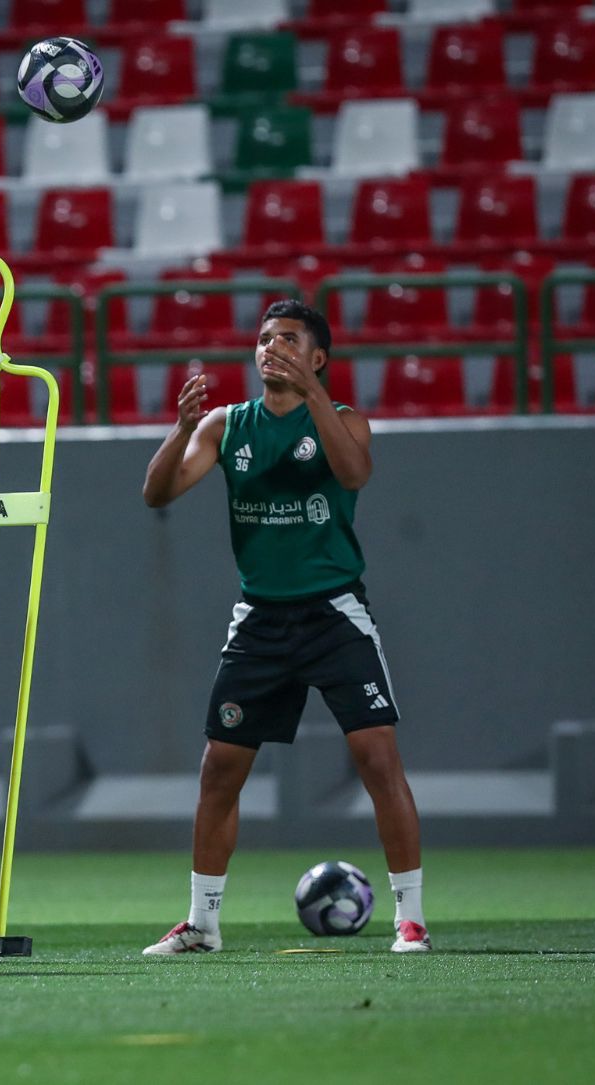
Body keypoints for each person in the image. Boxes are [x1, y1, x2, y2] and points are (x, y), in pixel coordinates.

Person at [139, 299, 430, 955]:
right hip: (260, 620)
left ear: (317, 357)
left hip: (334, 613)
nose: (272, 347)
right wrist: (180, 429)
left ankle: (410, 919)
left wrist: (312, 393)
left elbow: (354, 472)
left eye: (290, 339)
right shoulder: (226, 425)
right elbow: (156, 493)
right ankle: (202, 923)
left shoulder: (345, 420)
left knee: (378, 759)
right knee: (220, 769)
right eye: (266, 337)